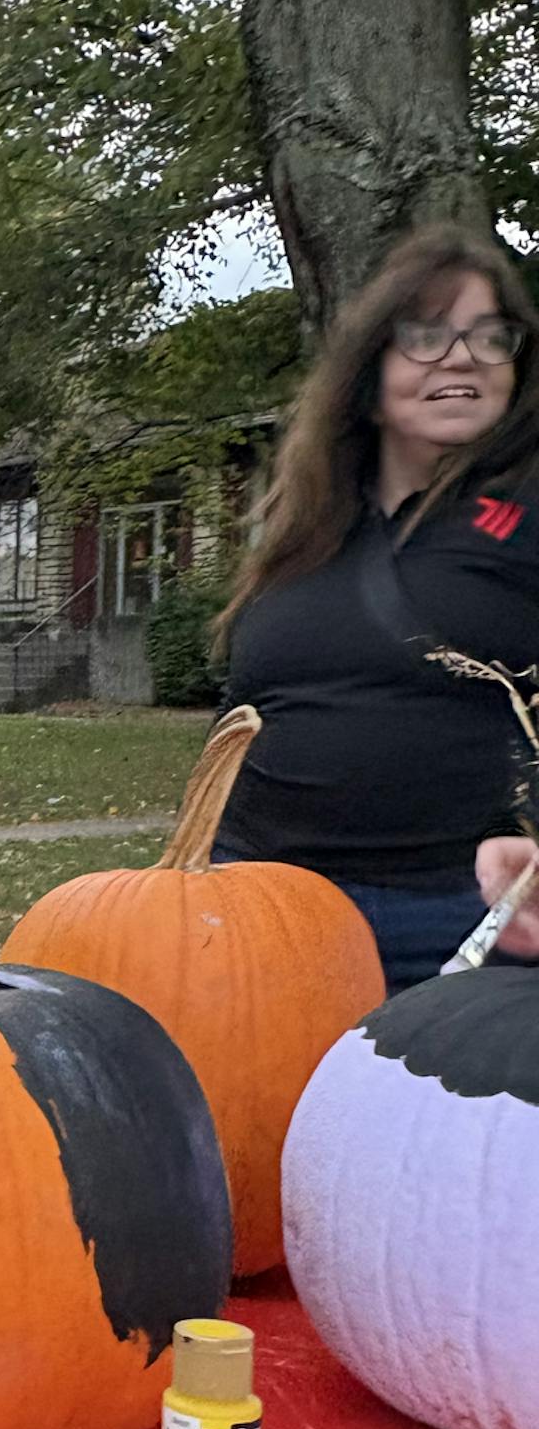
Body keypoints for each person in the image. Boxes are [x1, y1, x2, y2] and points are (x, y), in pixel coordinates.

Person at [216, 225, 539, 991]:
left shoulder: (526, 507)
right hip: (254, 912)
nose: (461, 356)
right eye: (426, 334)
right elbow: (243, 706)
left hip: (449, 923)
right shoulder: (305, 531)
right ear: (370, 374)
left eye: (489, 336)